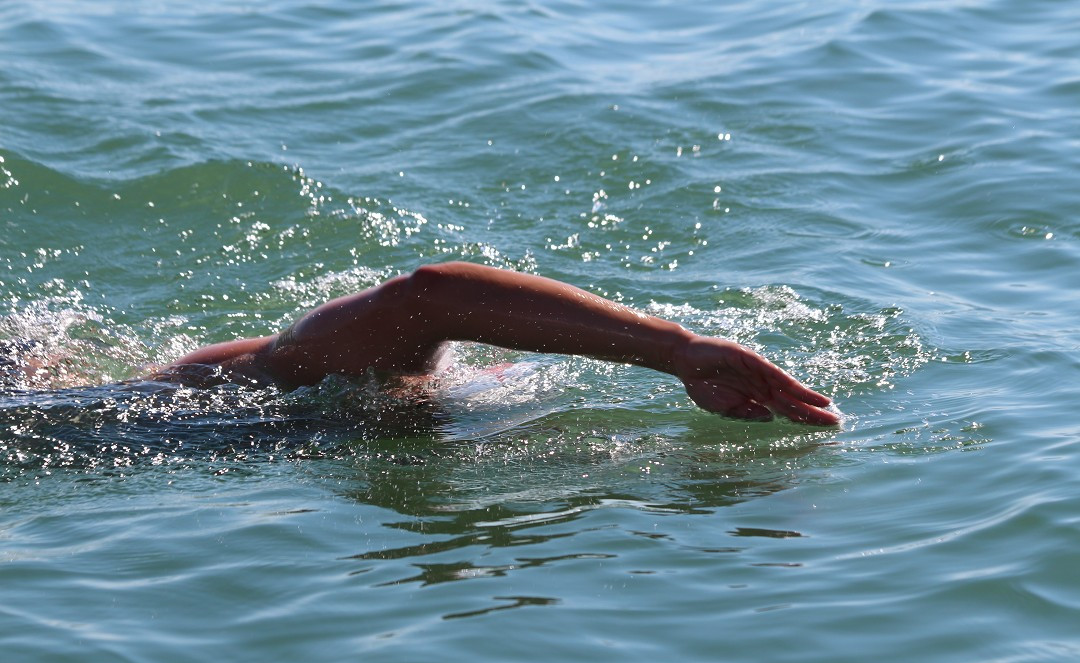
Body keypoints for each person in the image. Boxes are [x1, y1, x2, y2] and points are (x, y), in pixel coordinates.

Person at [158, 262, 839, 425]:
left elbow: (426, 296)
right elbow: (428, 299)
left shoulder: (309, 368)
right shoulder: (282, 382)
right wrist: (672, 351)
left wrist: (676, 350)